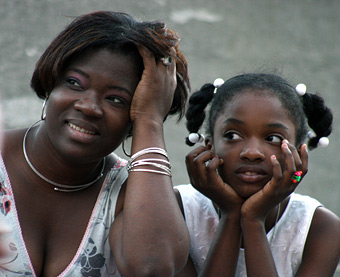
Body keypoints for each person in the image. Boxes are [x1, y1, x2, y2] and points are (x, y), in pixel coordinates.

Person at [0, 11, 191, 276]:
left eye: (116, 99)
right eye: (74, 83)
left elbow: (153, 268)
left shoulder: (134, 194)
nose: (89, 107)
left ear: (133, 120)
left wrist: (149, 122)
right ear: (50, 83)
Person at [175, 73, 340, 276]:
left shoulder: (321, 227)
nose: (252, 153)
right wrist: (231, 214)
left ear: (298, 153)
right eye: (232, 135)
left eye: (272, 138)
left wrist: (253, 220)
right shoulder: (177, 210)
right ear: (210, 146)